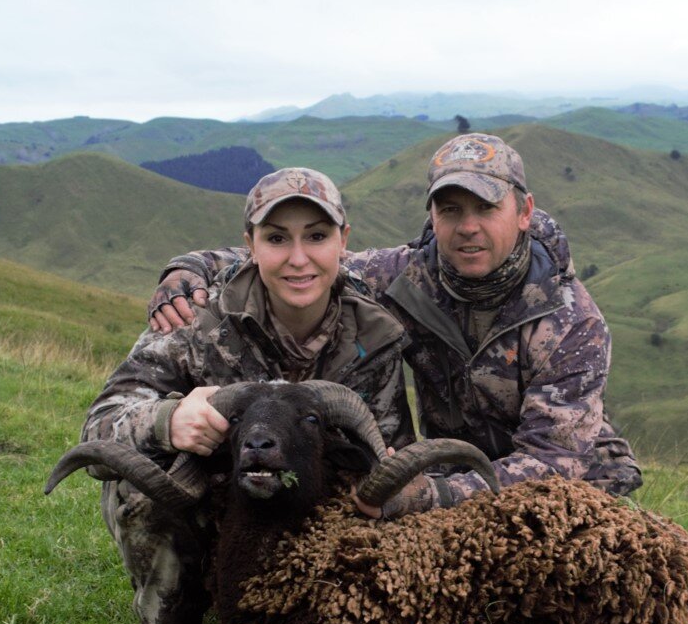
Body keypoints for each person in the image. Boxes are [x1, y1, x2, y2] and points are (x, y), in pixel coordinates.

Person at [150, 132, 641, 519]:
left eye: (486, 208)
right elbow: (305, 258)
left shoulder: (573, 321)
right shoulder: (401, 275)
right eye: (451, 209)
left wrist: (437, 493)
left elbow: (554, 461)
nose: (467, 226)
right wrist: (192, 267)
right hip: (449, 463)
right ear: (432, 213)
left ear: (524, 211)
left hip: (567, 478)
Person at [80, 167, 412, 624]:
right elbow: (100, 426)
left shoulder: (374, 333)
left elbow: (386, 448)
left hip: (309, 509)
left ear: (343, 242)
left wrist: (385, 471)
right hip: (214, 500)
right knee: (139, 482)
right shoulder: (192, 318)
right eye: (277, 239)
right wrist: (168, 420)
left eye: (317, 237)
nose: (298, 259)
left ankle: (308, 621)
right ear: (250, 245)